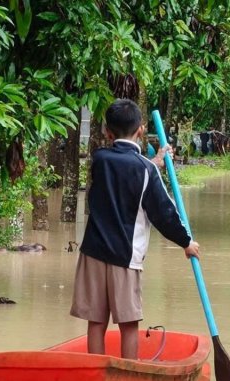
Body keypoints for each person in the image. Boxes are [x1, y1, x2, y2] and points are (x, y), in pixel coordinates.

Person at [70, 99, 200, 359]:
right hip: (125, 258)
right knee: (129, 324)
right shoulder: (145, 170)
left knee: (96, 321)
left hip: (92, 252)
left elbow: (122, 170)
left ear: (107, 132)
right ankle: (129, 375)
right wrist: (186, 242)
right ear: (141, 130)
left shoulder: (98, 160)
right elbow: (164, 213)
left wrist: (155, 162)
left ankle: (95, 372)